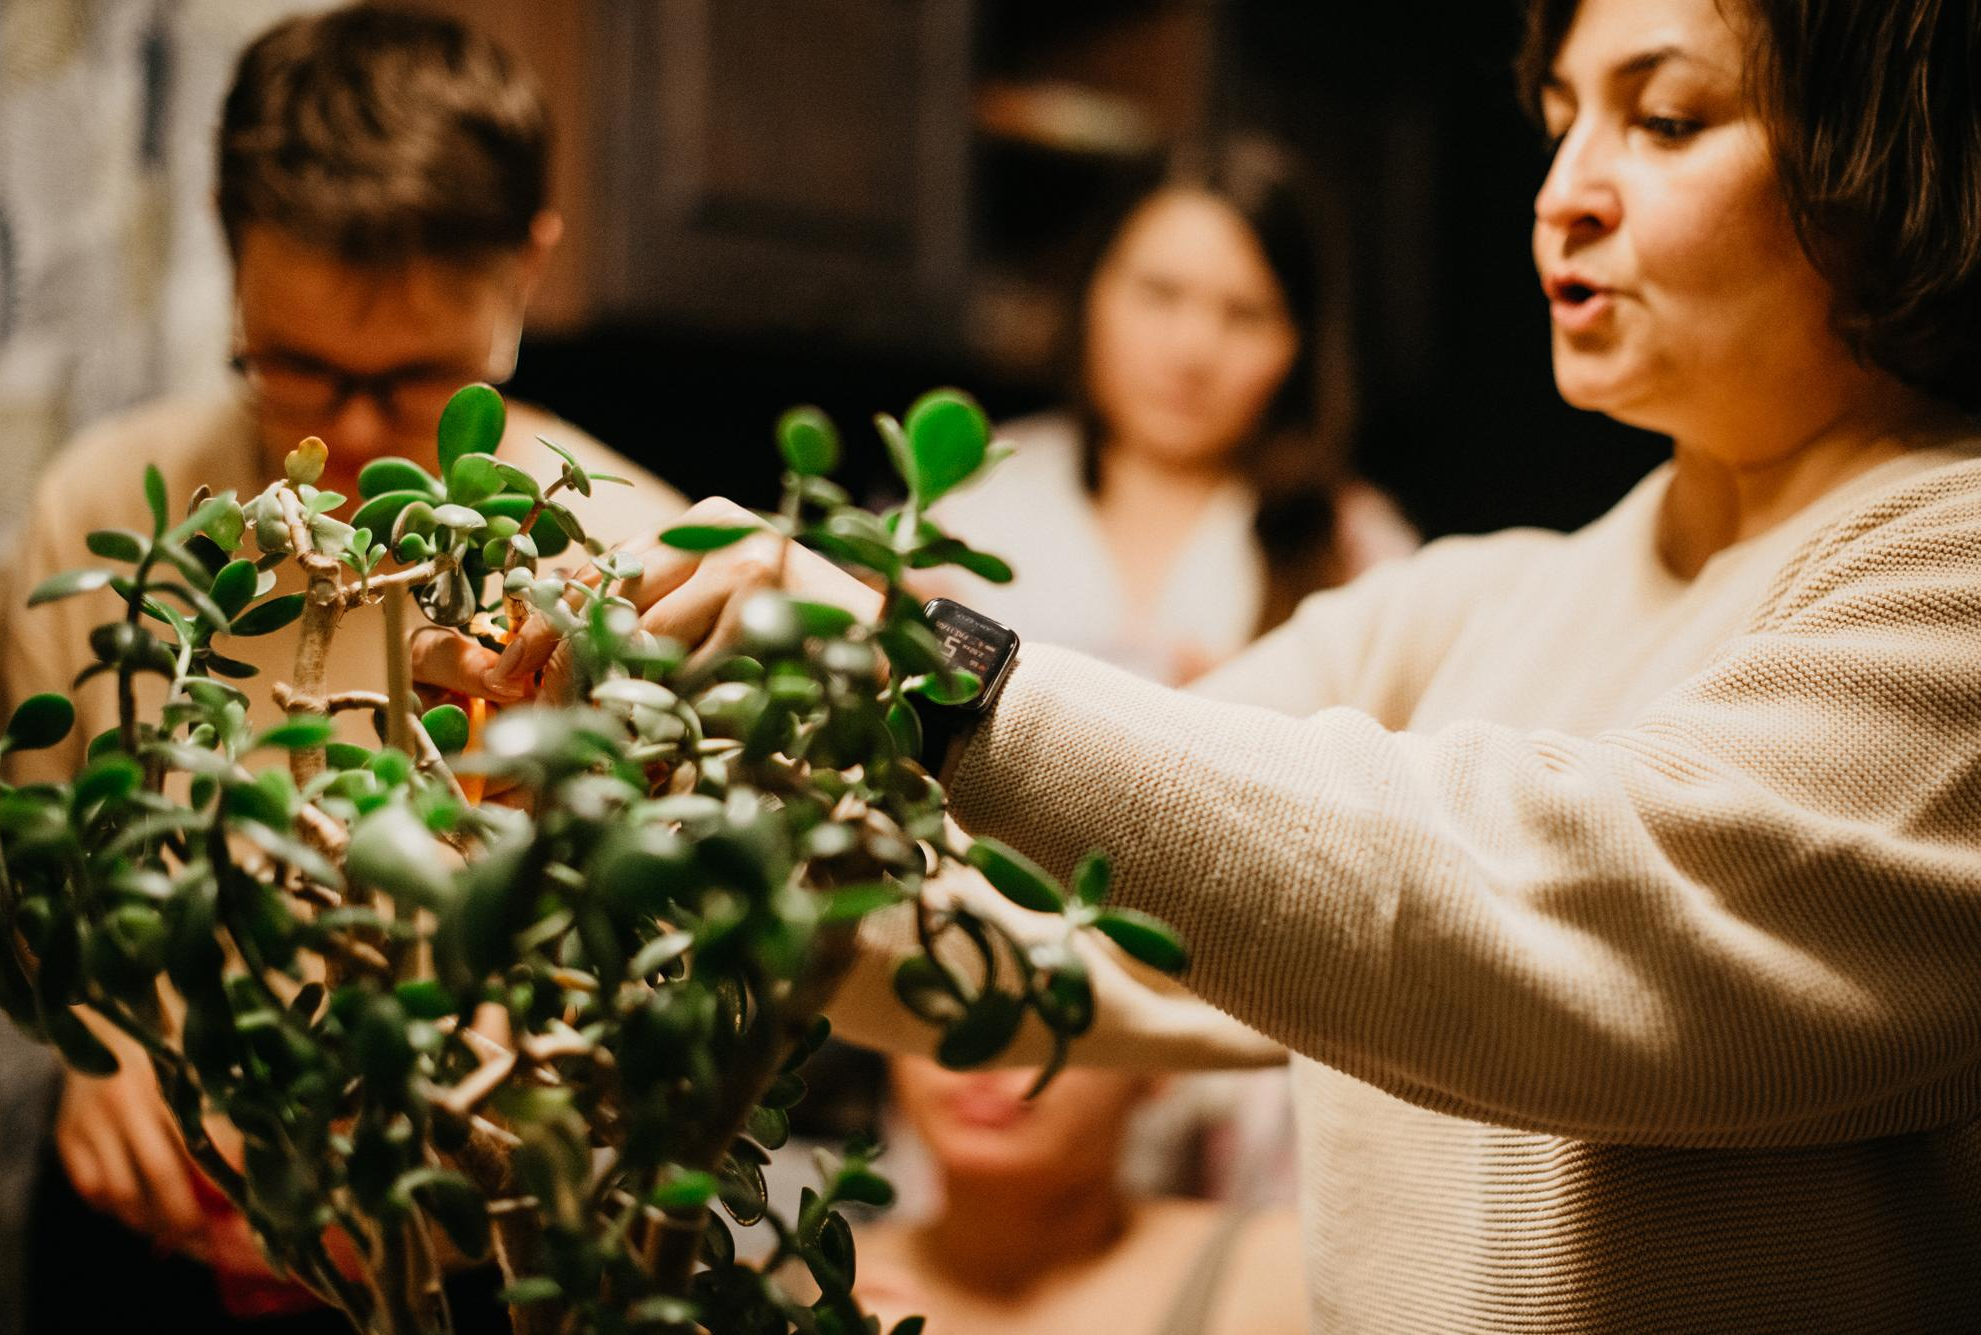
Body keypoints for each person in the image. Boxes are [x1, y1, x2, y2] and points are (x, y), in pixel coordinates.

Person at [421, 0, 1981, 1328]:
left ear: (1873, 159)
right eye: (1565, 118)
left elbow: (1533, 899)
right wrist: (639, 757)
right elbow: (1051, 921)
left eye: (1671, 117)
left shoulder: (1947, 568)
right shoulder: (1471, 605)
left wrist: (927, 660)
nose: (1564, 192)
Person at [0, 8, 685, 1330]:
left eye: (417, 377)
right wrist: (99, 1033)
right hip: (144, 1258)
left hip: (477, 1277)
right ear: (226, 237)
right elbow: (34, 861)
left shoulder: (631, 556)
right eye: (294, 365)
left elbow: (687, 980)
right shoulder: (99, 512)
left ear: (529, 267)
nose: (354, 434)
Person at [930, 136, 1412, 685]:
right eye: (1159, 294)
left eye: (1246, 315)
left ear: (1299, 346)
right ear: (1091, 294)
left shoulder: (1363, 558)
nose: (1192, 350)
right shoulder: (961, 499)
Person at [850, 1057, 1305, 1335]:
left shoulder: (1285, 1281)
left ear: (1158, 1063)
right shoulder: (802, 1284)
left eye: (1055, 1012)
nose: (984, 1057)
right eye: (940, 1002)